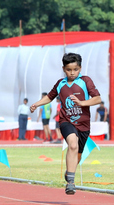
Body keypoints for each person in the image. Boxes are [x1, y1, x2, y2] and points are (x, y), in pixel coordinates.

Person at [30, 52, 103, 196]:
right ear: (64, 69)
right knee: (72, 144)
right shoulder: (60, 84)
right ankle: (71, 182)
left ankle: (69, 171)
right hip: (66, 121)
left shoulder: (85, 81)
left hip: (84, 124)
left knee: (78, 156)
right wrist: (36, 104)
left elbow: (97, 99)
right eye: (69, 70)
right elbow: (49, 97)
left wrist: (82, 103)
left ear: (80, 68)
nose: (72, 72)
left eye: (75, 69)